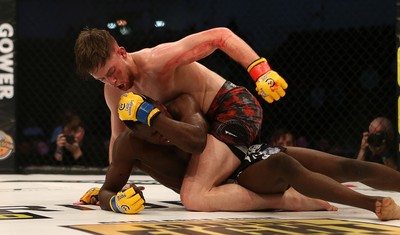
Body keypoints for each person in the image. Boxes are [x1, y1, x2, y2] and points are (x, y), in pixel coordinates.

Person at [89, 92, 400, 221]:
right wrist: (115, 202)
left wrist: (155, 117)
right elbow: (107, 190)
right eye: (154, 133)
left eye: (162, 119)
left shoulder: (181, 105)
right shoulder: (129, 146)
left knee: (347, 165)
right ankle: (374, 206)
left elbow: (197, 140)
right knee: (284, 166)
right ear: (138, 136)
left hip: (243, 154)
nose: (163, 133)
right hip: (229, 182)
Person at [74, 27, 288, 209]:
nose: (112, 81)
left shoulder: (158, 60)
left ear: (121, 53)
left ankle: (287, 201)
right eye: (101, 78)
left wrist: (261, 71)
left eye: (112, 71)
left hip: (233, 108)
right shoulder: (113, 92)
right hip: (200, 130)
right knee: (189, 183)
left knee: (194, 196)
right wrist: (114, 188)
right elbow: (118, 137)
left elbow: (221, 36)